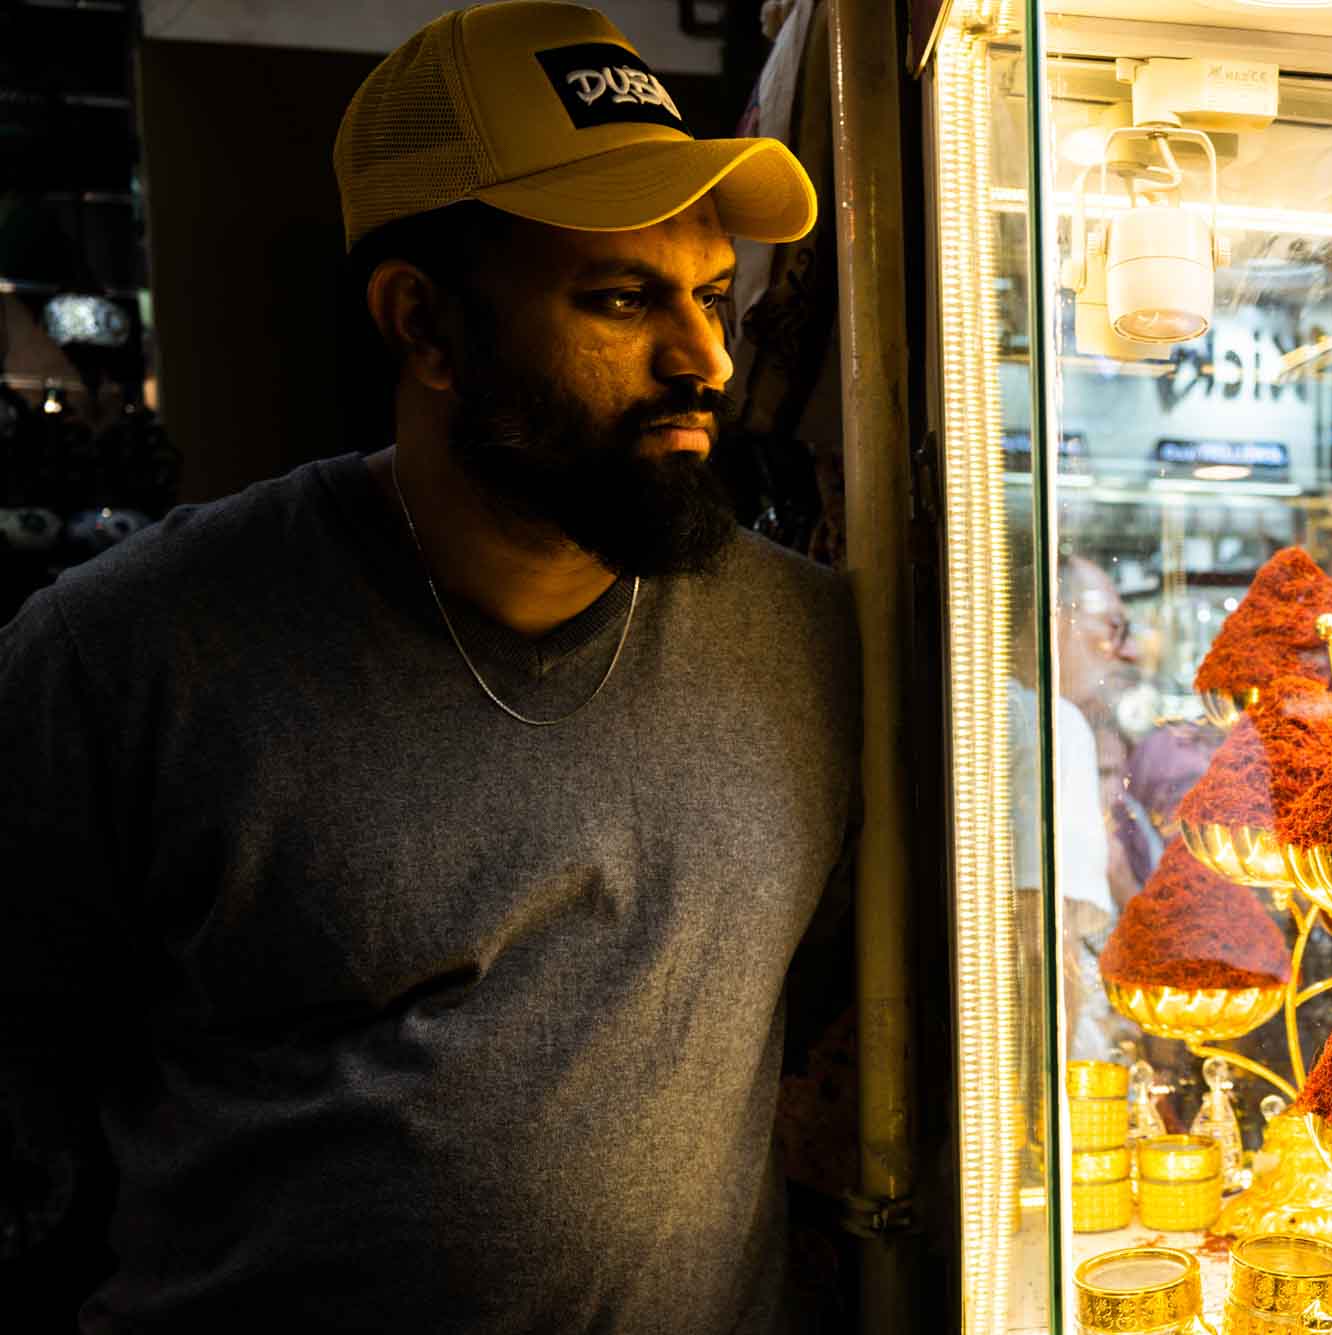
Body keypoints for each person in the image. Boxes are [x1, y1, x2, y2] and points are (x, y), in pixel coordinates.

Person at [0, 5, 856, 1332]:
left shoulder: (813, 648)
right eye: (622, 298)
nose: (705, 358)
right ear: (425, 329)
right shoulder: (125, 657)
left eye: (706, 290)